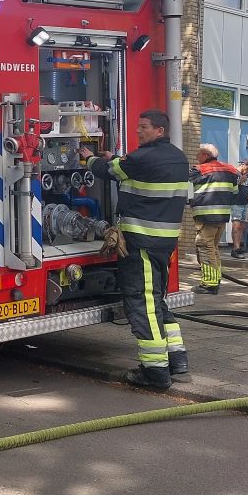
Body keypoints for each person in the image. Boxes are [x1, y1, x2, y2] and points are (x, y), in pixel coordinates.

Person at [79, 109, 191, 391]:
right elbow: (129, 168)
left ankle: (155, 373)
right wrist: (116, 160)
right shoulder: (178, 157)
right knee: (157, 300)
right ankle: (177, 361)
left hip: (141, 242)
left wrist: (87, 157)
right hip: (165, 240)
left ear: (159, 131)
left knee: (141, 303)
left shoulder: (142, 158)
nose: (138, 131)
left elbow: (108, 171)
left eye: (144, 127)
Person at [190, 143, 240, 293]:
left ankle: (209, 284)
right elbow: (235, 192)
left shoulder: (200, 170)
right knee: (213, 248)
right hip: (222, 216)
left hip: (206, 216)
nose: (196, 158)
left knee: (205, 247)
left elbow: (185, 188)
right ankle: (215, 278)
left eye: (198, 155)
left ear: (205, 155)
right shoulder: (231, 170)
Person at [229, 158, 248, 258]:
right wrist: (240, 181)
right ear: (243, 164)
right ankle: (235, 248)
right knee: (236, 225)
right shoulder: (234, 173)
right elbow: (230, 188)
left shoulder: (247, 176)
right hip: (236, 203)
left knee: (242, 226)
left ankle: (239, 247)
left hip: (245, 203)